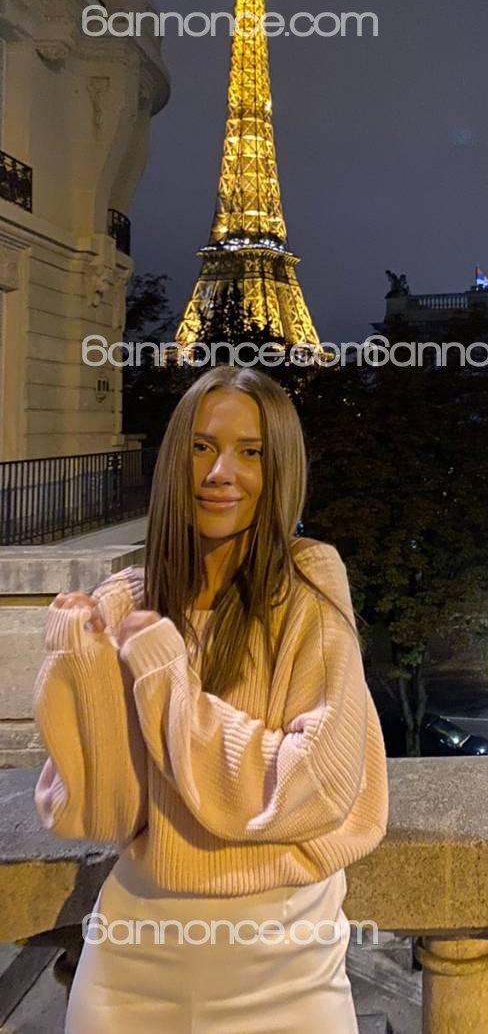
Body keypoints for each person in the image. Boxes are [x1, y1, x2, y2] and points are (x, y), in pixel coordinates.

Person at [33, 365, 388, 1032]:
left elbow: (314, 785)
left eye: (251, 452)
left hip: (286, 969)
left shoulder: (308, 589)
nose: (222, 472)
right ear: (175, 458)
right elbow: (103, 814)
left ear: (279, 468)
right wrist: (78, 662)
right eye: (202, 446)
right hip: (129, 965)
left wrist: (165, 677)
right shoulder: (123, 602)